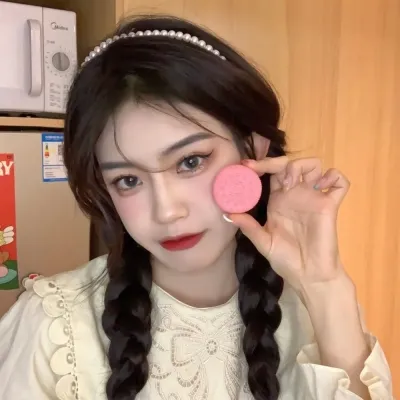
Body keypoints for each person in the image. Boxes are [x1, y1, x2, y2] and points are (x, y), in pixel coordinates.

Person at [0, 14, 393, 400]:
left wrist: (325, 286)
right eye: (128, 180)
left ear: (254, 149)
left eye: (190, 162)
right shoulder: (51, 329)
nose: (167, 211)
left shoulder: (317, 312)